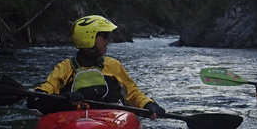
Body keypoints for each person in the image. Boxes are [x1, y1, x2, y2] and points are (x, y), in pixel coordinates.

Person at [26, 14, 166, 118]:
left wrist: (149, 104)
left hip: (111, 118)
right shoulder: (64, 68)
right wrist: (65, 98)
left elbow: (133, 93)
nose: (109, 40)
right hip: (75, 120)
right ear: (89, 38)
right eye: (104, 36)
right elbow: (39, 98)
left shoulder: (113, 65)